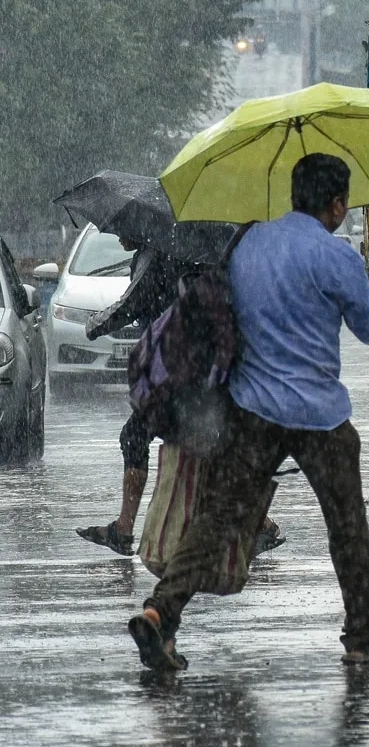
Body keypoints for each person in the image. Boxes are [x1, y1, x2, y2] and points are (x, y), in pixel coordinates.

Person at [126, 153, 369, 671]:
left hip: (252, 411)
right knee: (347, 527)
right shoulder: (335, 257)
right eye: (343, 204)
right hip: (320, 418)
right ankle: (365, 634)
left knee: (218, 519)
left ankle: (161, 612)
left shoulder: (246, 243)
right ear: (335, 205)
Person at [75, 239, 283, 557]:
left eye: (122, 230)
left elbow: (131, 303)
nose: (118, 237)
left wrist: (94, 326)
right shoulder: (206, 254)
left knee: (137, 437)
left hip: (177, 372)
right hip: (207, 368)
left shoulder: (157, 256)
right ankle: (260, 525)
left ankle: (124, 529)